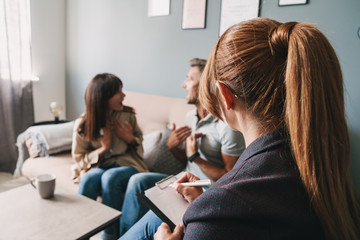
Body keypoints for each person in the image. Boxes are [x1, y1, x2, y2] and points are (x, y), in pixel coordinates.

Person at [152, 18, 360, 240]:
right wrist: (207, 202)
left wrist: (209, 208)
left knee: (151, 224)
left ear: (225, 94)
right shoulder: (323, 171)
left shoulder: (219, 211)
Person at [119, 58, 245, 236]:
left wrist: (196, 158)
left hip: (205, 189)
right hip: (182, 178)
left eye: (189, 79)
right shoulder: (190, 117)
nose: (183, 84)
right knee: (137, 181)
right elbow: (187, 159)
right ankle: (123, 234)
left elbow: (229, 176)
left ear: (205, 85)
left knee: (152, 219)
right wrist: (172, 147)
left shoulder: (225, 125)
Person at [71, 73, 148, 240]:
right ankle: (79, 231)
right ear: (103, 98)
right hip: (100, 166)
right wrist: (103, 148)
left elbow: (140, 146)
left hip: (128, 165)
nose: (124, 95)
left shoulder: (128, 116)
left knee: (110, 177)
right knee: (88, 179)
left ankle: (109, 235)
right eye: (118, 92)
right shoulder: (84, 124)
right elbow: (79, 159)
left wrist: (129, 138)